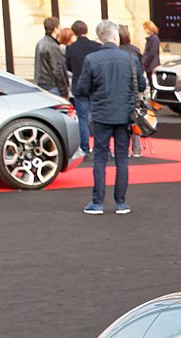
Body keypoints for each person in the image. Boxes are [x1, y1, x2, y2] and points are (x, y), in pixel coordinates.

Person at [74, 19, 145, 214]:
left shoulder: (91, 59)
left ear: (100, 37)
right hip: (125, 114)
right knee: (122, 159)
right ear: (115, 36)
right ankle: (121, 202)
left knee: (100, 158)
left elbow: (82, 89)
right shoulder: (130, 58)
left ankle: (97, 202)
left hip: (101, 114)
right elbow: (142, 84)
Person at [66, 21, 100, 157]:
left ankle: (85, 148)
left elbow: (68, 67)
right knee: (98, 118)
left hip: (79, 86)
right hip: (95, 86)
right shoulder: (96, 46)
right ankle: (102, 147)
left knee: (83, 119)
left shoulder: (70, 49)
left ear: (74, 32)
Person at [118, 25, 144, 157]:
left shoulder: (116, 52)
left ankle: (125, 149)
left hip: (120, 90)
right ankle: (137, 149)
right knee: (134, 118)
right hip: (134, 89)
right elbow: (141, 72)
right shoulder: (135, 50)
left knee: (122, 122)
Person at [34, 18, 68, 96]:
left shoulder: (40, 43)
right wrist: (64, 90)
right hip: (52, 85)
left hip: (41, 83)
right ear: (55, 29)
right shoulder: (53, 46)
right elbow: (57, 69)